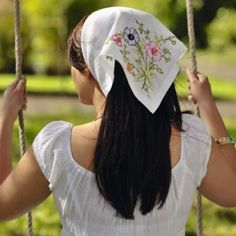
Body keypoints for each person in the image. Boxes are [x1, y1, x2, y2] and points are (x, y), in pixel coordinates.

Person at [0, 6, 235, 236]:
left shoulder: (58, 146)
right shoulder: (190, 139)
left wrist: (5, 118)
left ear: (90, 69)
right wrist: (207, 105)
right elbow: (231, 191)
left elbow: (3, 205)